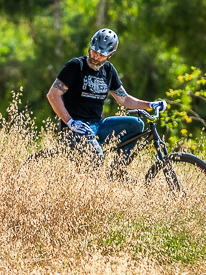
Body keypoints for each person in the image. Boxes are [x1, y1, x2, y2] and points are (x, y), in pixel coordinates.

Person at [46, 28, 167, 173]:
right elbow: (53, 94)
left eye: (101, 54)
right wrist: (70, 122)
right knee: (97, 158)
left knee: (137, 125)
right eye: (94, 51)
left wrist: (150, 105)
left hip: (97, 125)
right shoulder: (75, 66)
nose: (95, 57)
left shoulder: (109, 71)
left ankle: (117, 171)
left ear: (110, 55)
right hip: (74, 129)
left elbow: (124, 99)